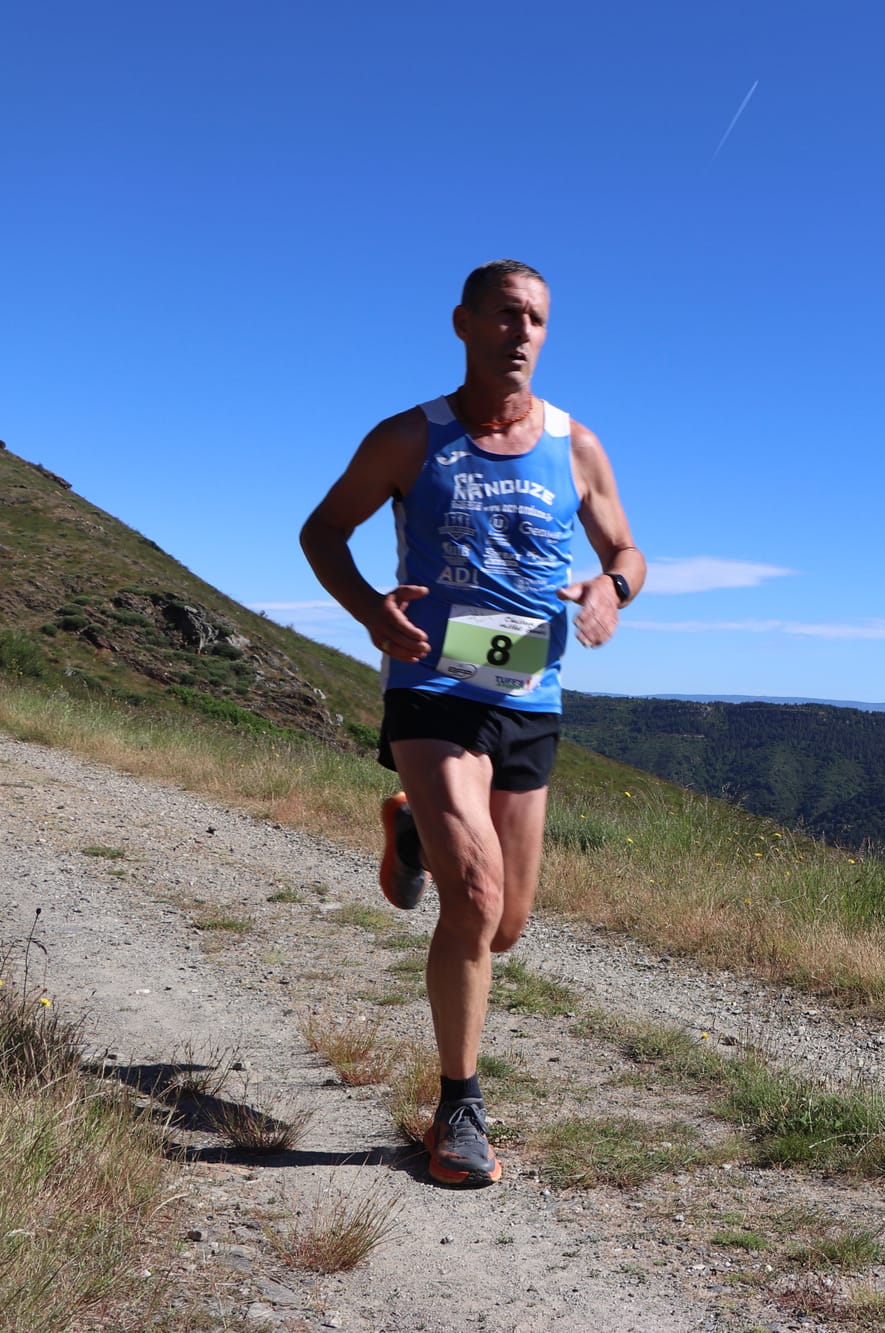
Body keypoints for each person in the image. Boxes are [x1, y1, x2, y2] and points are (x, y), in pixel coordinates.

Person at [300, 259, 646, 1186]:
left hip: (528, 696)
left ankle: (409, 826)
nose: (522, 332)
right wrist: (373, 609)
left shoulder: (576, 445)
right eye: (504, 315)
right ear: (463, 323)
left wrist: (611, 589)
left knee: (508, 925)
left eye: (535, 319)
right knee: (476, 900)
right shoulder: (413, 438)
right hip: (432, 688)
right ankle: (458, 1105)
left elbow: (627, 547)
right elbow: (322, 531)